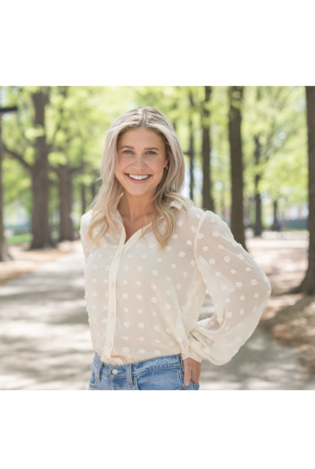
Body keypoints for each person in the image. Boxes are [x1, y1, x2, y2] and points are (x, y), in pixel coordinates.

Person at [81, 107, 271, 391]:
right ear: (114, 158)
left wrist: (200, 346)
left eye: (151, 153)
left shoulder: (195, 225)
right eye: (128, 151)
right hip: (102, 378)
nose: (139, 164)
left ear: (168, 159)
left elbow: (252, 287)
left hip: (163, 379)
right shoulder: (95, 225)